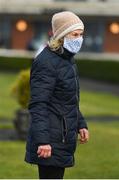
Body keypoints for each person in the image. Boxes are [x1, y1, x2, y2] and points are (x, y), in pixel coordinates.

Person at [25, 11, 89, 179]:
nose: (79, 39)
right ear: (61, 35)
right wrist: (43, 141)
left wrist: (80, 124)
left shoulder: (67, 60)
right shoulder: (46, 62)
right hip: (51, 141)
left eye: (81, 35)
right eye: (75, 34)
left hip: (62, 137)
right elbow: (38, 104)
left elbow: (68, 99)